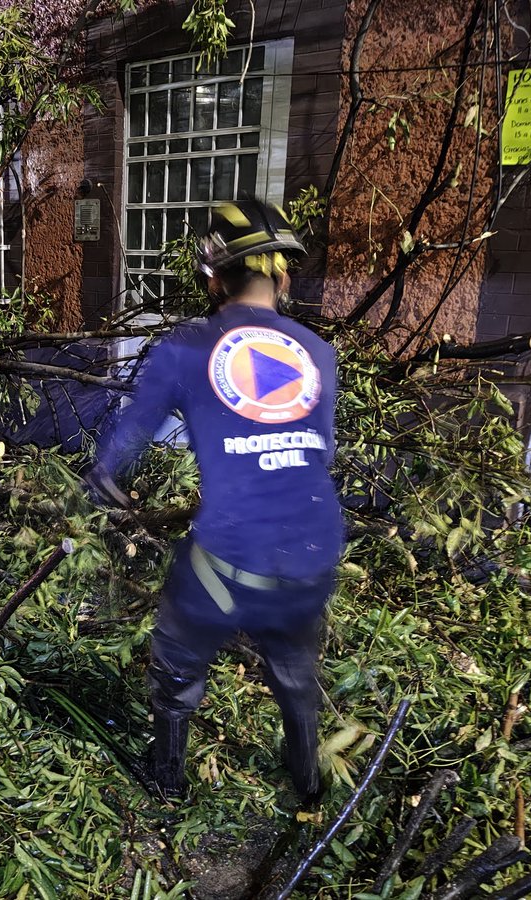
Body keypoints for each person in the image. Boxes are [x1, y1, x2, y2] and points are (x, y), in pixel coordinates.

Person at [87, 197, 343, 804]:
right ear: (283, 274)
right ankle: (307, 788)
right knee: (294, 665)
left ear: (212, 277)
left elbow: (125, 442)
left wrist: (98, 487)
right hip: (314, 545)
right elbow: (320, 453)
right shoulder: (317, 351)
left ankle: (168, 783)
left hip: (234, 547)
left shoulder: (186, 346)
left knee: (178, 647)